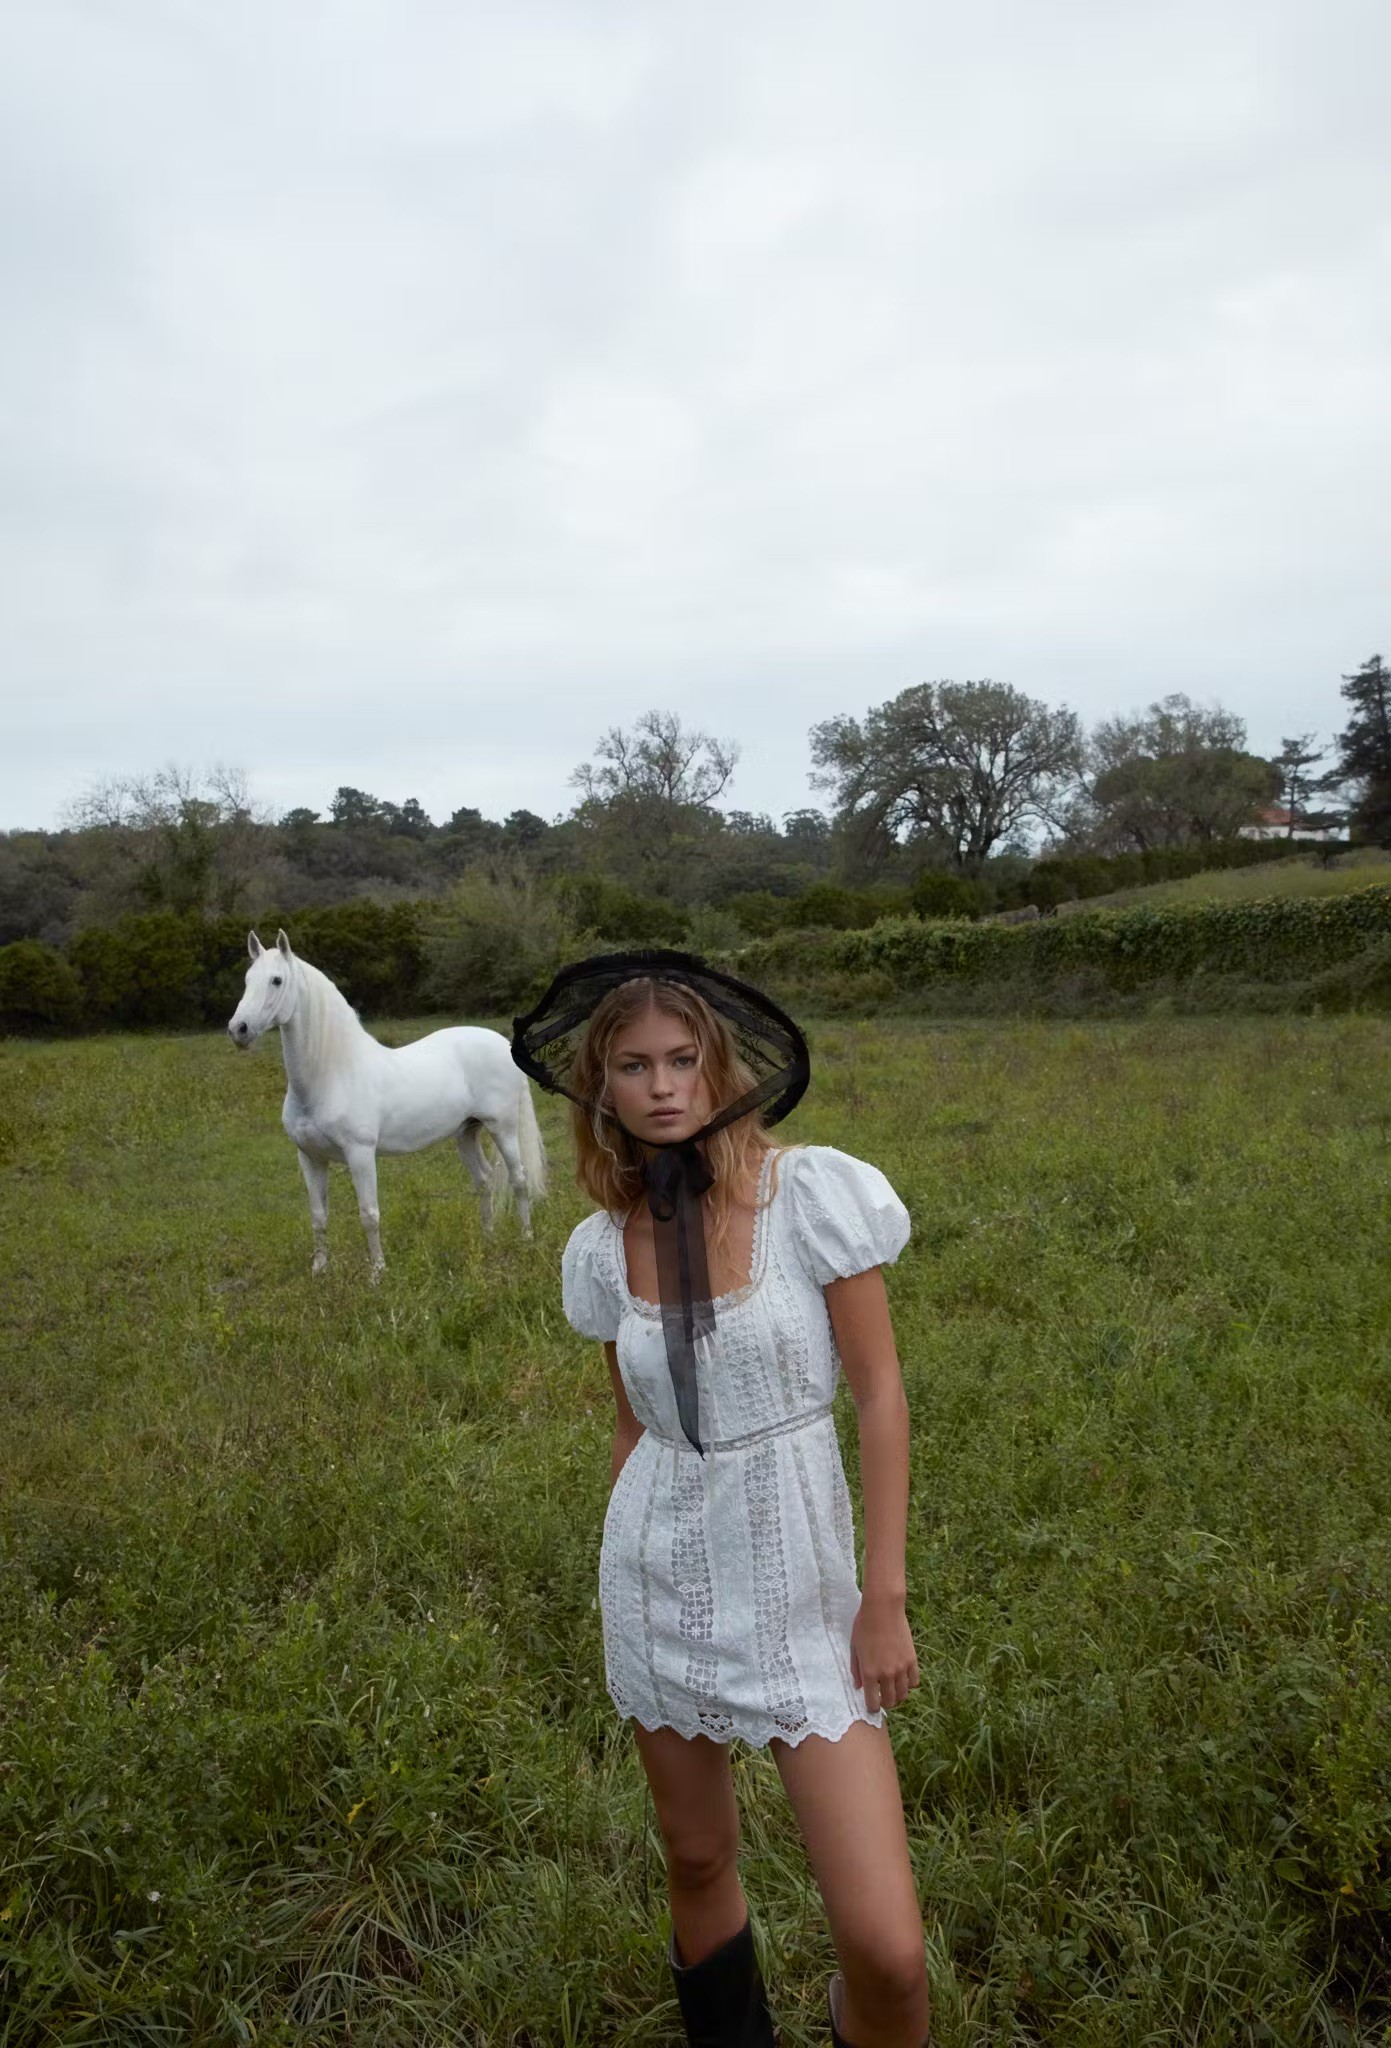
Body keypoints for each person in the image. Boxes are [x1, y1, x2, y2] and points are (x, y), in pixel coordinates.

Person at [512, 952, 930, 2048]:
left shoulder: (811, 1194)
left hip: (807, 1593)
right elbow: (631, 1421)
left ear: (719, 1068)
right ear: (599, 1088)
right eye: (633, 1065)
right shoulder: (600, 1248)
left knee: (887, 1950)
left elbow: (881, 1394)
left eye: (682, 1059)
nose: (661, 1084)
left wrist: (880, 1597)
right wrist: (624, 1593)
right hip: (662, 1579)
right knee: (695, 1854)